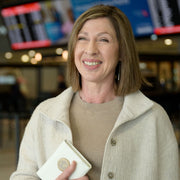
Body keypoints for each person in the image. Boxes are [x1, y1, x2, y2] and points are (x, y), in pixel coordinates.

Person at [10, 4, 179, 180]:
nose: (90, 50)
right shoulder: (44, 114)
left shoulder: (153, 118)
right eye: (82, 38)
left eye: (103, 40)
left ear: (122, 51)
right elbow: (23, 175)